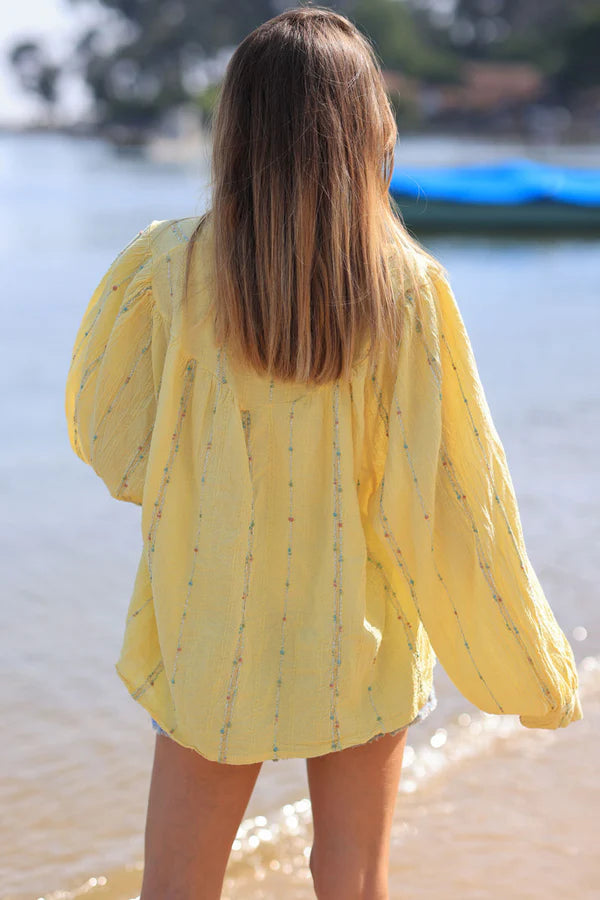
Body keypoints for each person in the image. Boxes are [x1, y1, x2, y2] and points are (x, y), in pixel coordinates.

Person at [64, 6, 583, 899]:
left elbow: (103, 428)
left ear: (236, 131)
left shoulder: (166, 269)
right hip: (361, 629)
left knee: (176, 885)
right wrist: (529, 665)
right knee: (351, 878)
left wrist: (190, 488)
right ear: (366, 130)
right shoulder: (409, 290)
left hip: (207, 620)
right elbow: (452, 496)